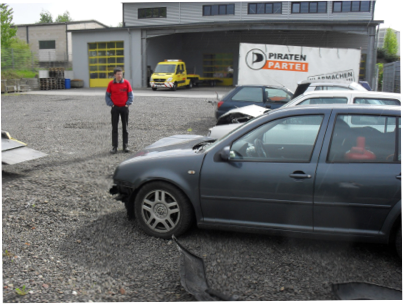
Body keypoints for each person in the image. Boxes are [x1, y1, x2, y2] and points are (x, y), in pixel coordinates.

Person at [105, 67, 134, 154]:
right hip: (115, 108)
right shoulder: (111, 84)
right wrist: (111, 104)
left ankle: (125, 146)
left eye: (121, 74)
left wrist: (127, 104)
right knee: (114, 128)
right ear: (114, 75)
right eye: (118, 74)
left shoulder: (126, 83)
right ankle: (114, 147)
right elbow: (107, 96)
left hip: (124, 108)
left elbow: (131, 95)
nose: (119, 76)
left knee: (125, 127)